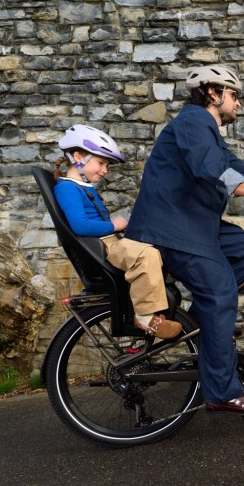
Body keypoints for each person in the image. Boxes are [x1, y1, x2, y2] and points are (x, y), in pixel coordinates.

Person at [125, 65, 244, 415]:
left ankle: (199, 328)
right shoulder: (194, 122)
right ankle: (222, 392)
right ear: (213, 94)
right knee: (220, 290)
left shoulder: (207, 131)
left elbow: (241, 169)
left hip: (195, 225)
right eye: (234, 95)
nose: (238, 104)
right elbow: (216, 174)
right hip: (173, 229)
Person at [53, 124, 183, 340]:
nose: (105, 170)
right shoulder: (68, 188)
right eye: (101, 163)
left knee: (158, 247)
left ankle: (158, 307)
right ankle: (145, 317)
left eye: (106, 165)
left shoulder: (80, 187)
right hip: (104, 247)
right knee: (147, 254)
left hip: (108, 243)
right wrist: (115, 225)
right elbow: (80, 225)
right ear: (78, 156)